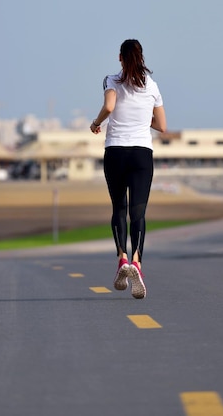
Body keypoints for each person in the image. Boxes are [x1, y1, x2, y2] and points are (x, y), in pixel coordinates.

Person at [90, 39, 167, 299]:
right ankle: (137, 263)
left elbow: (110, 107)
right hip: (142, 153)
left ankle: (122, 258)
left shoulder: (111, 80)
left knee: (119, 208)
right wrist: (143, 118)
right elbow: (162, 125)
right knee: (138, 212)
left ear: (120, 58)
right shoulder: (152, 86)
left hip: (115, 152)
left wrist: (96, 122)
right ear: (142, 57)